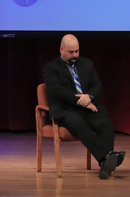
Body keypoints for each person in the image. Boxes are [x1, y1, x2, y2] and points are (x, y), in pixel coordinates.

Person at [43, 34, 124, 179]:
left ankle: (105, 164)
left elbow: (97, 86)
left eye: (77, 51)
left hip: (86, 106)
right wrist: (81, 100)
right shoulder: (51, 68)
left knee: (105, 123)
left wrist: (90, 97)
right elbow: (57, 91)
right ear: (61, 49)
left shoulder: (86, 63)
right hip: (65, 109)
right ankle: (106, 158)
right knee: (78, 122)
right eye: (71, 52)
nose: (75, 55)